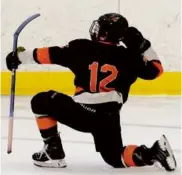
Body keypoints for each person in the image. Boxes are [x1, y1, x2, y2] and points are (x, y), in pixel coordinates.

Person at [6, 13, 176, 171]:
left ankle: (53, 152)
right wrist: (143, 45)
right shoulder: (129, 57)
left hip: (81, 114)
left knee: (40, 101)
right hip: (108, 118)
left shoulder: (81, 47)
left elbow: (51, 54)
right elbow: (156, 70)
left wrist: (20, 57)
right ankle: (153, 153)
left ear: (104, 33)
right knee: (115, 159)